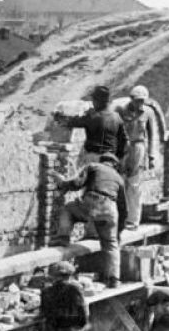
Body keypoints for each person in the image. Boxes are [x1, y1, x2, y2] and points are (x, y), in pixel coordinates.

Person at [49, 153, 127, 288]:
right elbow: (124, 209)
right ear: (114, 166)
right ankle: (114, 279)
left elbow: (77, 183)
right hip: (110, 210)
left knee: (68, 209)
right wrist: (118, 231)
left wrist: (62, 183)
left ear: (102, 161)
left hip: (92, 202)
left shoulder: (94, 166)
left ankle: (62, 237)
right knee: (111, 244)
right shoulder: (119, 179)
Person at [53, 85, 128, 167]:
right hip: (111, 159)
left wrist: (59, 117)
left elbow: (72, 122)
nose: (92, 102)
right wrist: (118, 157)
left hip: (94, 159)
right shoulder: (117, 117)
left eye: (94, 100)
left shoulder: (93, 117)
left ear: (98, 101)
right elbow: (124, 141)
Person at [117, 85, 155, 229]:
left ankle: (133, 220)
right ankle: (120, 218)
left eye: (142, 100)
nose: (139, 103)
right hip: (123, 148)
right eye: (137, 100)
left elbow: (152, 136)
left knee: (135, 184)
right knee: (120, 182)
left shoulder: (148, 113)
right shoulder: (121, 111)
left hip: (139, 148)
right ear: (131, 99)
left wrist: (151, 156)